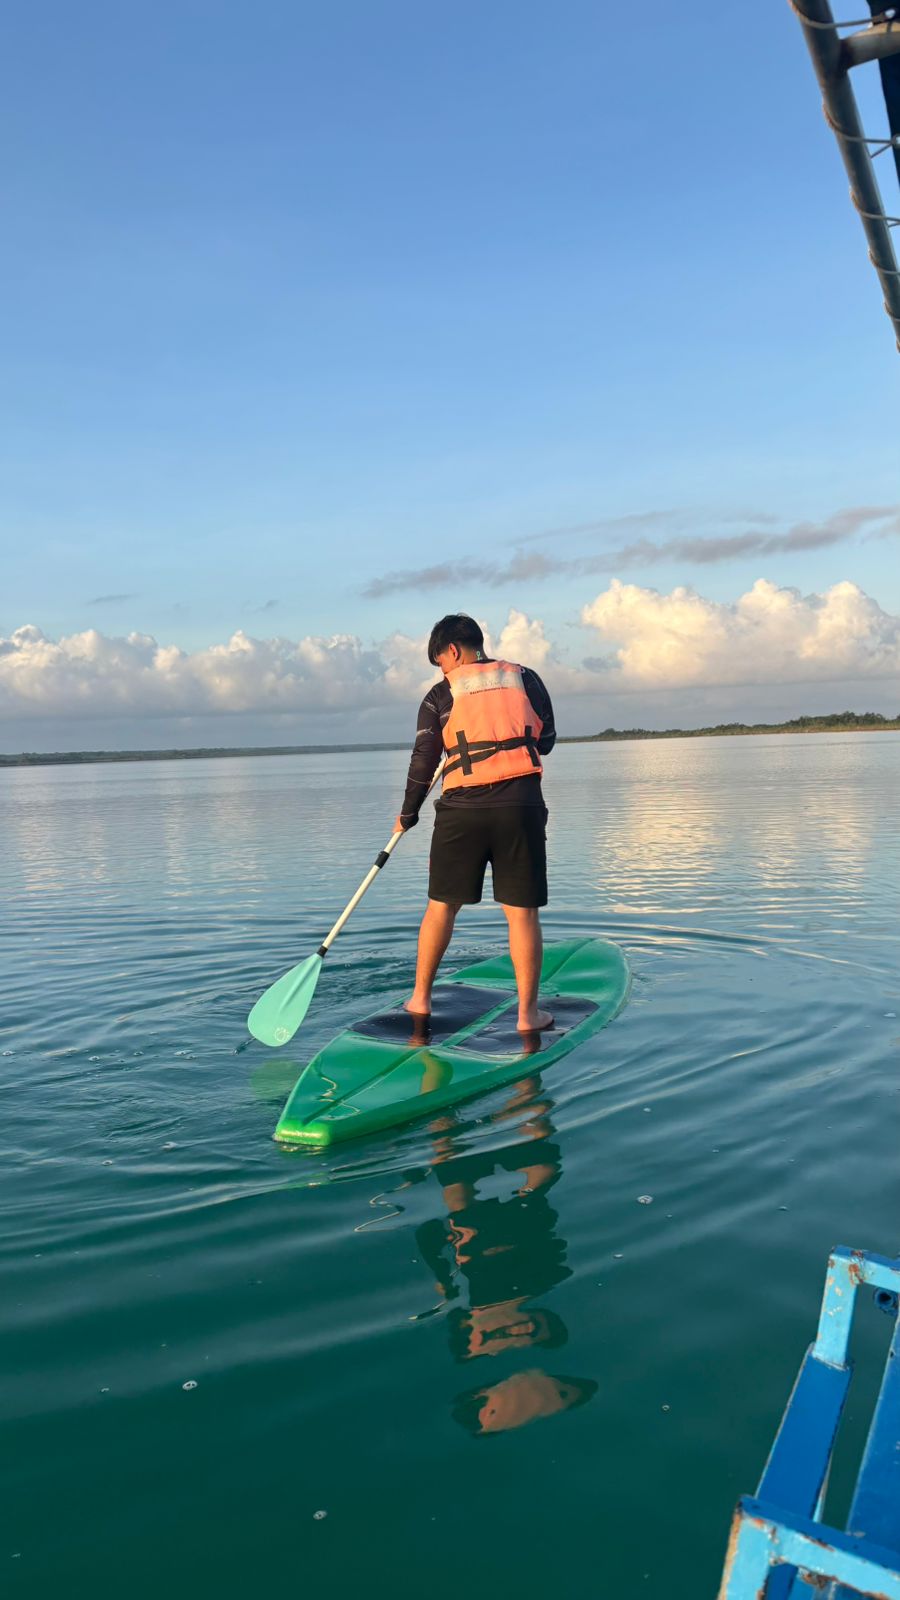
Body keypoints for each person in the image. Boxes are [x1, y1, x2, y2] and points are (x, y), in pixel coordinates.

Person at [393, 612, 557, 1032]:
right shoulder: (527, 679)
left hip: (461, 812)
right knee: (522, 914)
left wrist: (407, 815)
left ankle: (420, 999)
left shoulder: (439, 695)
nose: (443, 671)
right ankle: (527, 1016)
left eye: (441, 662)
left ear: (452, 650)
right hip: (519, 807)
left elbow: (423, 762)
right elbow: (547, 741)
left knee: (441, 907)